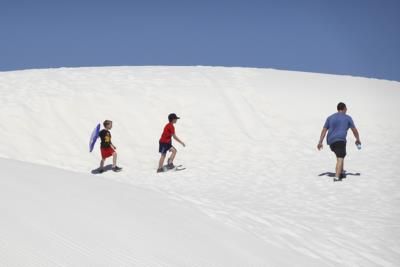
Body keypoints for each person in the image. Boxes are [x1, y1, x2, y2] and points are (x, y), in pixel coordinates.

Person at [317, 102, 361, 181]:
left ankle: (341, 172)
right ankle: (337, 177)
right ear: (344, 108)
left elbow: (324, 130)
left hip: (331, 141)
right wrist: (357, 139)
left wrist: (320, 142)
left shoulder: (330, 117)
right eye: (346, 108)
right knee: (340, 157)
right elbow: (354, 130)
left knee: (340, 155)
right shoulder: (347, 118)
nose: (347, 109)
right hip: (340, 140)